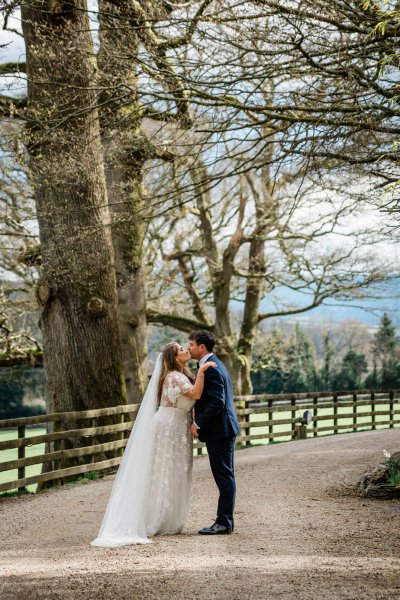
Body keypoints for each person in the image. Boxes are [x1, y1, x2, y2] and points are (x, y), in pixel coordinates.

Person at [90, 342, 216, 547]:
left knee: (173, 470)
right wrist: (201, 371)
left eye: (186, 347)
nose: (186, 350)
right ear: (175, 358)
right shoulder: (174, 376)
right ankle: (155, 517)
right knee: (163, 470)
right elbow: (195, 394)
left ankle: (167, 517)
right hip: (168, 427)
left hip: (176, 426)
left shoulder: (179, 374)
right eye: (182, 350)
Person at [188, 330, 240, 535]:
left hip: (221, 430)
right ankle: (225, 520)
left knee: (224, 476)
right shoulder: (210, 365)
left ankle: (224, 522)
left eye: (191, 344)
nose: (189, 348)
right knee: (224, 475)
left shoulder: (212, 369)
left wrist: (197, 423)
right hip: (221, 430)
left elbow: (217, 402)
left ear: (202, 347)